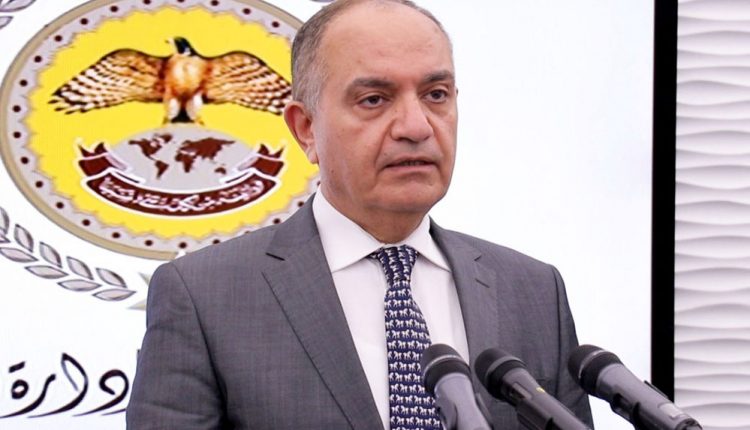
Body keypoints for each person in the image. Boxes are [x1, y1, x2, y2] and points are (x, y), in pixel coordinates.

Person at [126, 0, 594, 429]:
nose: (416, 127)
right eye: (374, 99)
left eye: (436, 94)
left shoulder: (533, 291)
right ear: (306, 129)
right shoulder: (205, 298)